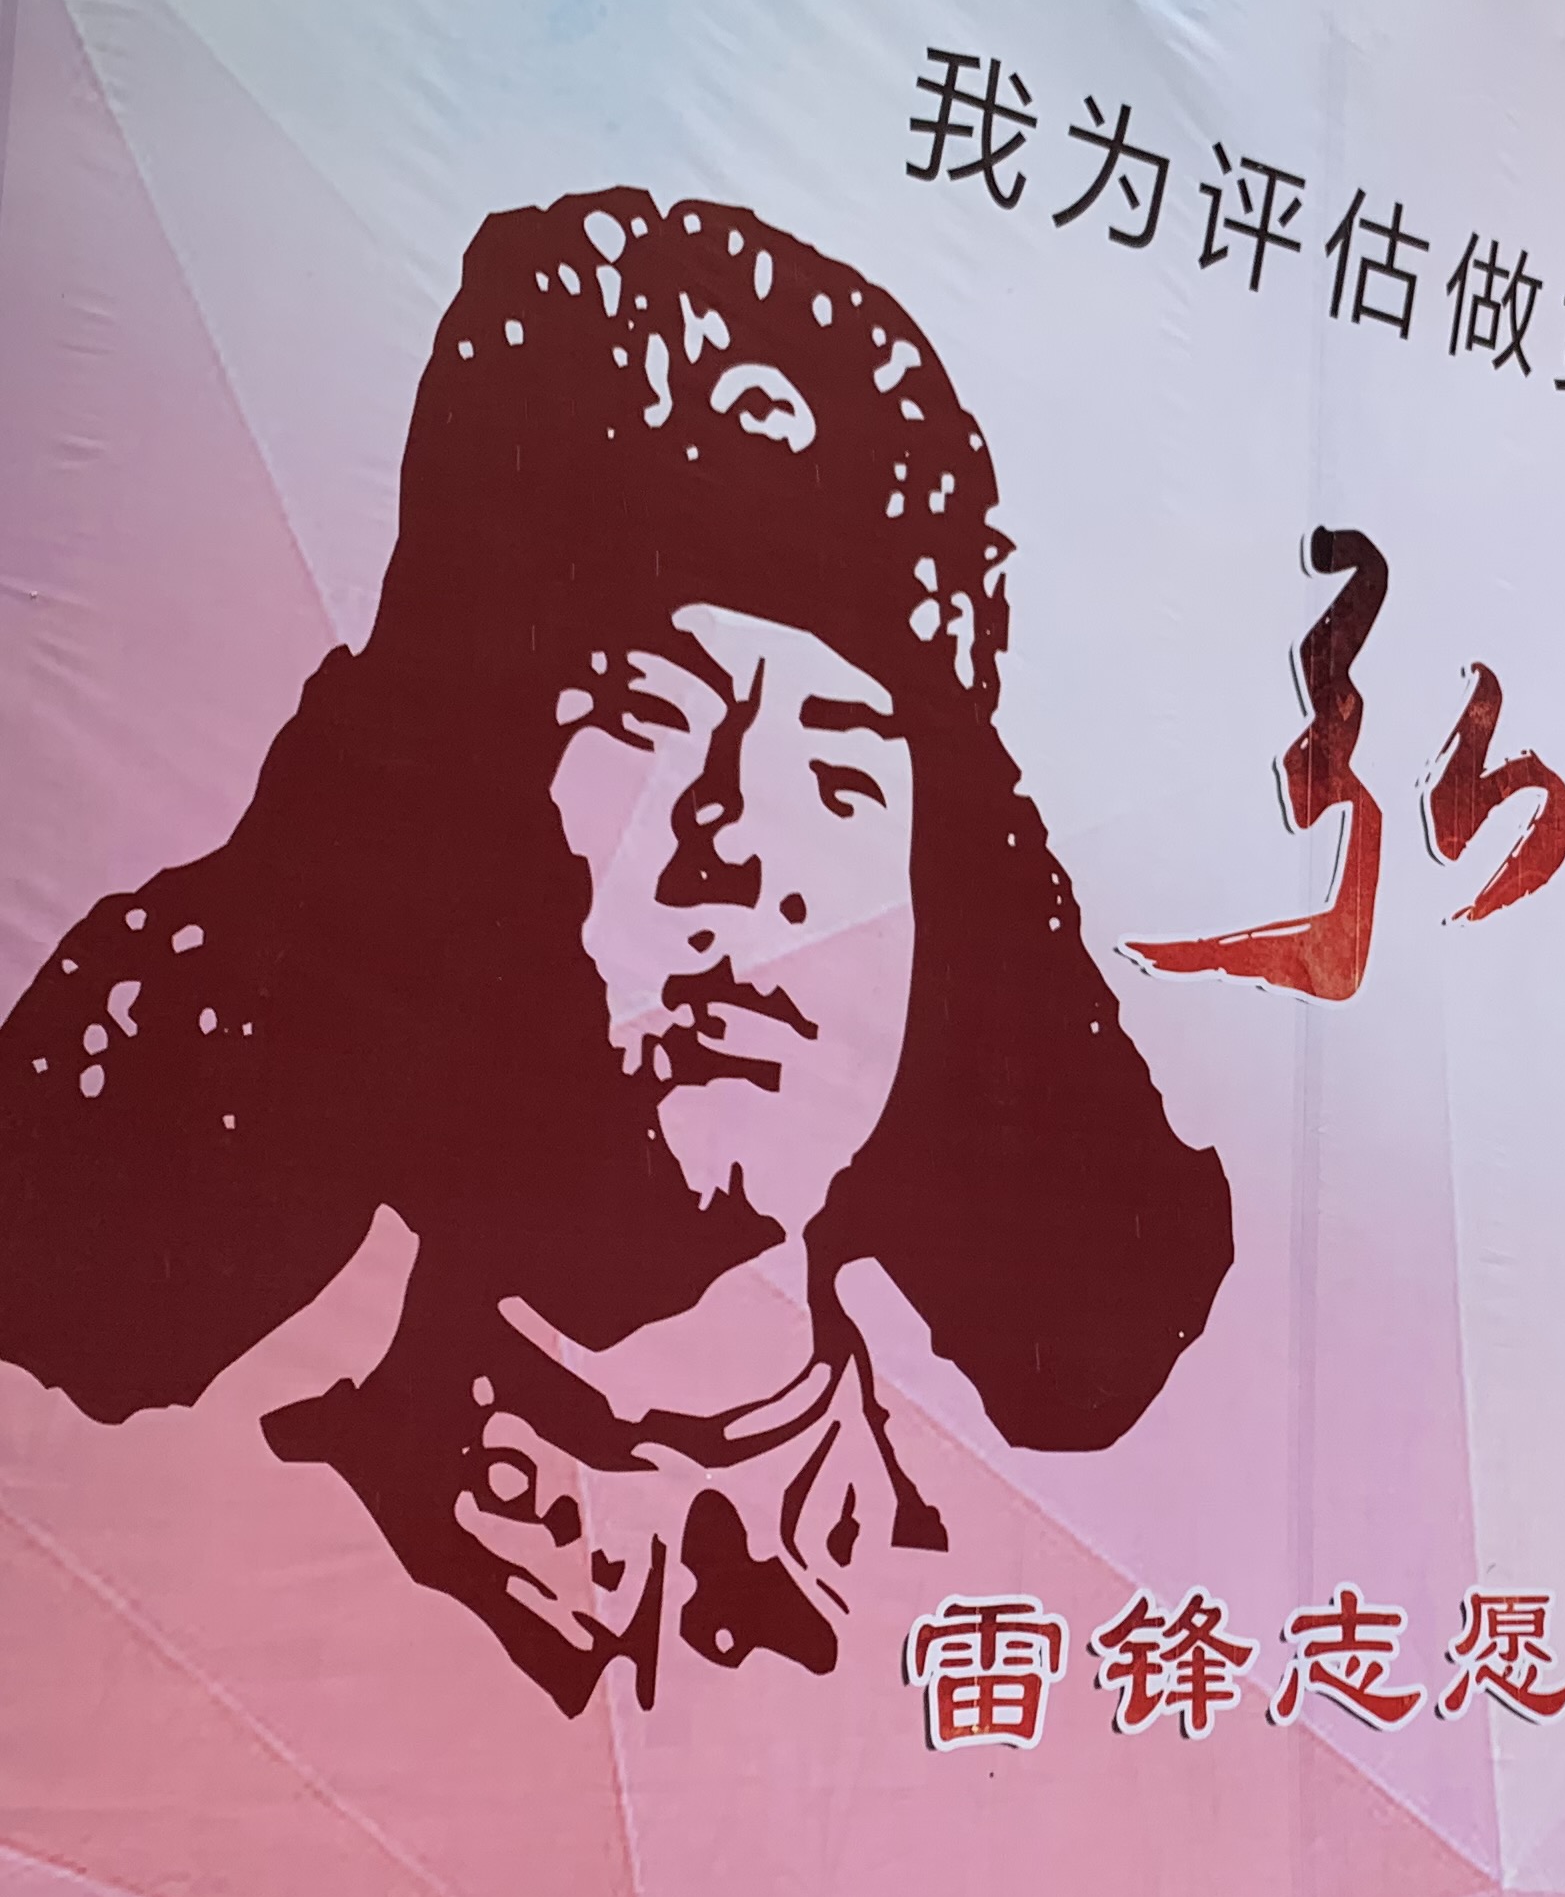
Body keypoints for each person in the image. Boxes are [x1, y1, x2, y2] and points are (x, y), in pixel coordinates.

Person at [0, 191, 1233, 1716]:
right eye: (650, 721)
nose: (741, 850)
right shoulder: (214, 1570)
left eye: (843, 773)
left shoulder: (1023, 1593)